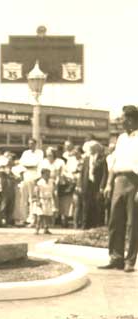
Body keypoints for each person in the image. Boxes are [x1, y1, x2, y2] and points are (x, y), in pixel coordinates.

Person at [99, 105, 138, 272]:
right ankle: (116, 258)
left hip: (134, 181)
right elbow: (113, 162)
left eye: (123, 118)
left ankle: (130, 260)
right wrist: (109, 183)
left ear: (131, 119)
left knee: (132, 223)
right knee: (115, 221)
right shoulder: (121, 138)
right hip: (118, 181)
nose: (121, 121)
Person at [80, 141, 107, 229]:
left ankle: (97, 224)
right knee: (86, 205)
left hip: (97, 185)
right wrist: (80, 185)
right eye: (89, 148)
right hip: (87, 185)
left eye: (92, 148)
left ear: (96, 149)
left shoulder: (102, 159)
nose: (90, 149)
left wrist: (102, 186)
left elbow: (104, 174)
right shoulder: (87, 159)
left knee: (97, 204)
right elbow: (82, 172)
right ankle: (85, 225)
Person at [19, 138, 44, 226]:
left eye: (32, 144)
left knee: (32, 198)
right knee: (24, 198)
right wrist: (29, 166)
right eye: (29, 144)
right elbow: (22, 163)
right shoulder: (25, 153)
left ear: (35, 144)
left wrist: (29, 165)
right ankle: (24, 218)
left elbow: (37, 164)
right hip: (26, 176)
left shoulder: (39, 153)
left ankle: (32, 219)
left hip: (34, 176)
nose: (31, 145)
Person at [31, 168, 55, 234]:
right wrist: (38, 201)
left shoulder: (51, 182)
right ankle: (37, 229)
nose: (48, 175)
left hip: (48, 199)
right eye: (46, 174)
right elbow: (36, 192)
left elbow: (53, 191)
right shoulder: (39, 183)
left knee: (47, 215)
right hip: (42, 199)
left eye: (49, 174)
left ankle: (46, 228)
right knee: (40, 215)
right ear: (43, 174)